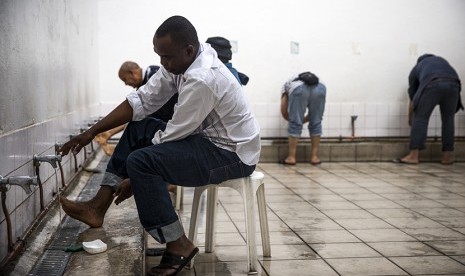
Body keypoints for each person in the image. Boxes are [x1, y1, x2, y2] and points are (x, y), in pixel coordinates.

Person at [59, 15, 260, 276]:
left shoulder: (202, 78)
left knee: (142, 162)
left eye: (167, 58)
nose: (162, 64)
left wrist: (136, 177)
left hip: (232, 153)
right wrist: (93, 131)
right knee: (139, 128)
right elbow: (141, 101)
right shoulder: (183, 61)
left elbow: (174, 134)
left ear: (188, 50)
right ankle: (97, 206)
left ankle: (179, 246)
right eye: (159, 57)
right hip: (207, 140)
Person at [94, 61, 177, 156]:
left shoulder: (153, 77)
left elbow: (138, 113)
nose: (126, 84)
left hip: (171, 126)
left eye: (125, 79)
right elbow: (135, 113)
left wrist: (107, 133)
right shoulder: (148, 78)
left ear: (132, 73)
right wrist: (109, 133)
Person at [395, 54, 463, 165]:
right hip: (454, 84)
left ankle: (413, 156)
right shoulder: (442, 61)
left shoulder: (417, 67)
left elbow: (413, 99)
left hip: (432, 83)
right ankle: (447, 156)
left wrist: (411, 117)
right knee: (448, 120)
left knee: (421, 118)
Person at [280, 72, 326, 166]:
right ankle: (314, 157)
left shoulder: (286, 87)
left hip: (299, 89)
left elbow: (284, 111)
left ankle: (291, 158)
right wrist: (304, 119)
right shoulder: (316, 80)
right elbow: (312, 116)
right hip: (320, 87)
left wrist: (297, 120)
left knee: (295, 122)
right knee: (316, 121)